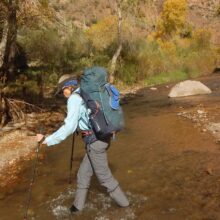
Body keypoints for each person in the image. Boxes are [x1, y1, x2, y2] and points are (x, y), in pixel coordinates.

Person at [37, 74, 129, 213]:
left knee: (104, 178)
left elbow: (69, 127)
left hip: (95, 142)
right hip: (104, 137)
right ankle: (76, 208)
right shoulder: (85, 93)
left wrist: (47, 140)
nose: (63, 93)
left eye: (63, 90)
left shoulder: (74, 98)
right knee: (83, 174)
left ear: (69, 87)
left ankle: (127, 207)